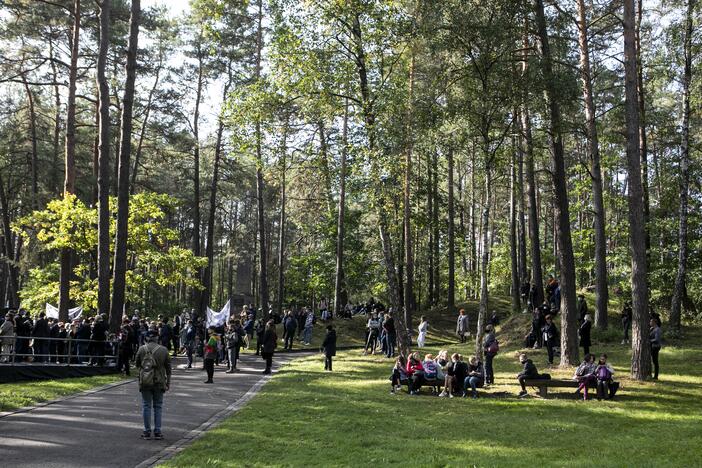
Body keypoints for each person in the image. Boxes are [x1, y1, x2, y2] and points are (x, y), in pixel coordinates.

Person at [135, 328, 172, 440]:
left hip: (145, 381)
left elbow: (137, 364)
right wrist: (168, 382)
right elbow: (168, 368)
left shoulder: (142, 349)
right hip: (159, 381)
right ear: (157, 338)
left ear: (146, 338)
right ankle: (158, 431)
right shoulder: (164, 350)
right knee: (158, 406)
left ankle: (146, 431)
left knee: (146, 405)